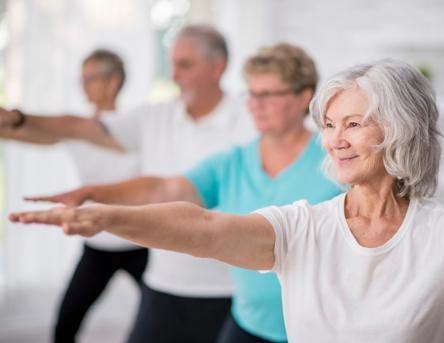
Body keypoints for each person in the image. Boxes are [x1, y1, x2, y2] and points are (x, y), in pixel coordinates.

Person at [10, 59, 444, 343]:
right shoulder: (302, 229)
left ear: (403, 131)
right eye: (329, 125)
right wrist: (104, 216)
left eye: (355, 124)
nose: (336, 139)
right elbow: (200, 226)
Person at [21, 43, 343, 343]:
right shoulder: (233, 161)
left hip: (316, 326)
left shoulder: (336, 160)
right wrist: (93, 194)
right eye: (251, 94)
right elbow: (165, 187)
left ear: (304, 97)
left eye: (269, 95)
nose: (256, 105)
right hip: (249, 323)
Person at [2, 25, 255, 342]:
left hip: (228, 288)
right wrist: (18, 120)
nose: (174, 75)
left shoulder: (250, 120)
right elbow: (81, 127)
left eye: (184, 65)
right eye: (172, 63)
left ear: (217, 67)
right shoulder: (154, 117)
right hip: (164, 283)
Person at [0, 49, 148, 343]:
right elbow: (24, 132)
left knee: (157, 321)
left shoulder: (133, 125)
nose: (83, 86)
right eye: (81, 79)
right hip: (98, 244)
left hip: (140, 241)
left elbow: (79, 127)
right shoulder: (72, 130)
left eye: (90, 78)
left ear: (113, 81)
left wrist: (16, 116)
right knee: (65, 325)